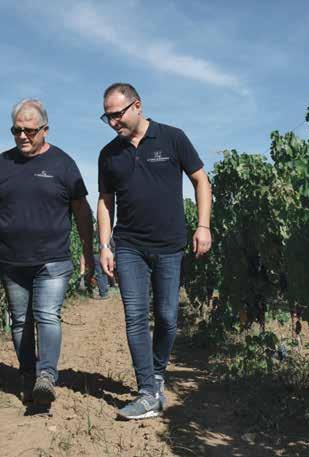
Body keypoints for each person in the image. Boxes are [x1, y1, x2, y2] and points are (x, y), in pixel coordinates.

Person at [0, 99, 94, 407]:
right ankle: (28, 376)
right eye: (17, 130)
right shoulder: (1, 165)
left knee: (47, 315)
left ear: (45, 129)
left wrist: (87, 250)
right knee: (19, 321)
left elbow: (82, 211)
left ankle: (46, 377)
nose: (23, 136)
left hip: (53, 259)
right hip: (11, 260)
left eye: (30, 130)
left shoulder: (63, 164)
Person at [97, 83, 212, 420]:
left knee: (166, 316)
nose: (113, 122)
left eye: (117, 114)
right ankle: (148, 391)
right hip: (128, 246)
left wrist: (203, 225)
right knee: (135, 316)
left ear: (137, 106)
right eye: (107, 117)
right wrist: (104, 245)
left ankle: (157, 372)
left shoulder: (172, 138)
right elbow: (105, 202)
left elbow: (201, 180)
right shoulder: (108, 154)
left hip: (169, 246)